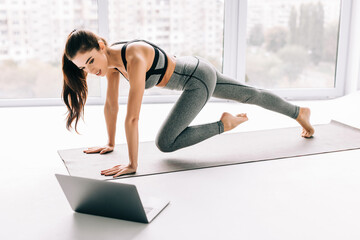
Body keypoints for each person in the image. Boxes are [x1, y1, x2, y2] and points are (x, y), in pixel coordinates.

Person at [62, 29, 314, 178]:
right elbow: (111, 106)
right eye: (84, 67)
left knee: (165, 142)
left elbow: (133, 116)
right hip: (196, 70)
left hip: (197, 79)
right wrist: (109, 142)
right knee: (251, 94)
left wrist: (132, 164)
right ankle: (299, 112)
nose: (90, 70)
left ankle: (224, 124)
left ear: (101, 46)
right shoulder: (111, 63)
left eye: (91, 61)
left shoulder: (134, 57)